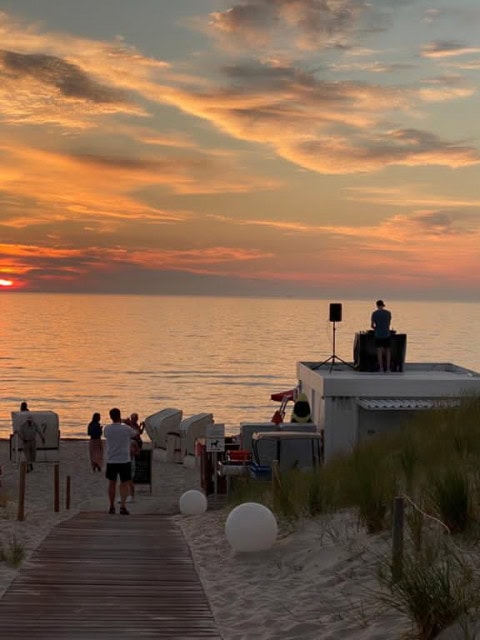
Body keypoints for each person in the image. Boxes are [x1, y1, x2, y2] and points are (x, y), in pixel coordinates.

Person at [103, 407, 137, 515]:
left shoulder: (107, 428)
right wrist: (126, 422)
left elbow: (106, 435)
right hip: (124, 459)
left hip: (112, 459)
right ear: (120, 415)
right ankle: (122, 505)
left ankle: (112, 505)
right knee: (124, 483)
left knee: (112, 483)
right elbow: (136, 433)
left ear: (110, 417)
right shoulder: (126, 428)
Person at [371, 299, 392, 373]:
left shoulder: (374, 313)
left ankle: (381, 368)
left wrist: (376, 329)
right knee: (388, 351)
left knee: (379, 351)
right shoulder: (388, 313)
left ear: (377, 305)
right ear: (383, 305)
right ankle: (388, 368)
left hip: (378, 334)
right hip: (387, 334)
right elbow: (388, 323)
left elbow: (372, 326)